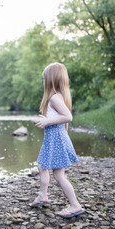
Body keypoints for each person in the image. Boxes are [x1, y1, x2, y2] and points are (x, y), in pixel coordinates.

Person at [30, 62, 84, 218]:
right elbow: (63, 120)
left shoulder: (54, 98)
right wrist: (47, 119)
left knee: (59, 175)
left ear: (51, 80)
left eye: (44, 78)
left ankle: (75, 205)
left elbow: (68, 117)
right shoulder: (58, 97)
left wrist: (47, 122)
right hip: (54, 138)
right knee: (42, 165)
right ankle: (43, 195)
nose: (43, 81)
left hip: (56, 138)